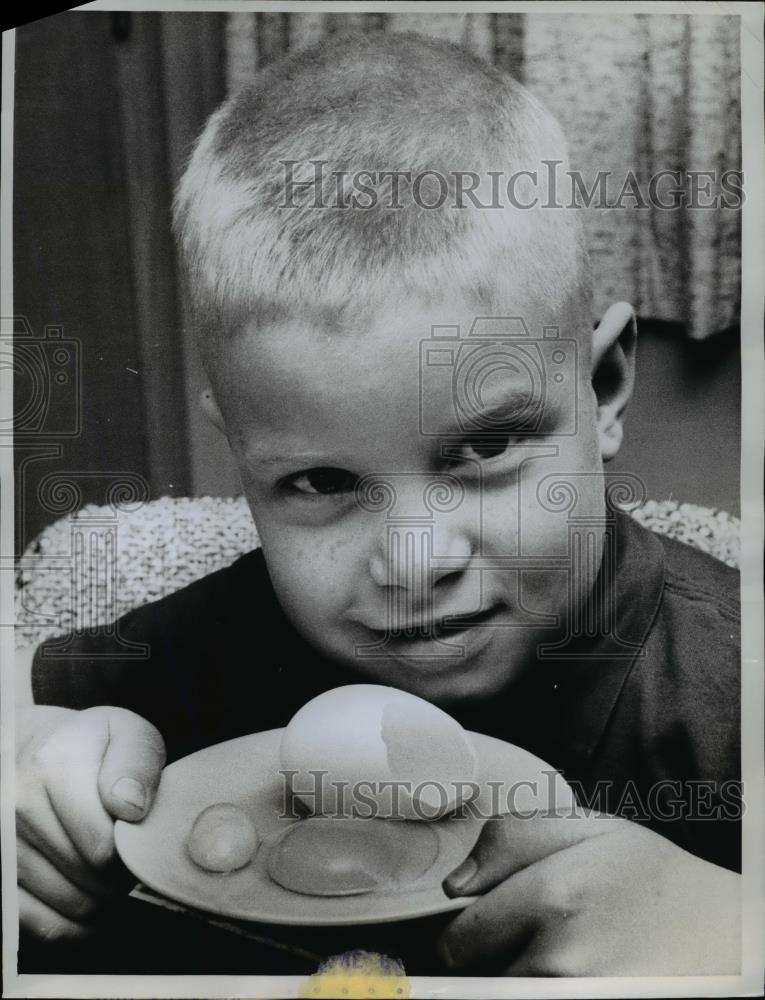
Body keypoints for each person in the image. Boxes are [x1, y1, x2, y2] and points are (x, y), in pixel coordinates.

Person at [15, 32, 741, 975]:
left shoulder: (733, 683)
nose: (413, 561)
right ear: (240, 455)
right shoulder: (209, 651)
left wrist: (736, 929)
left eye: (483, 448)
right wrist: (32, 763)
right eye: (321, 483)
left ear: (600, 388)